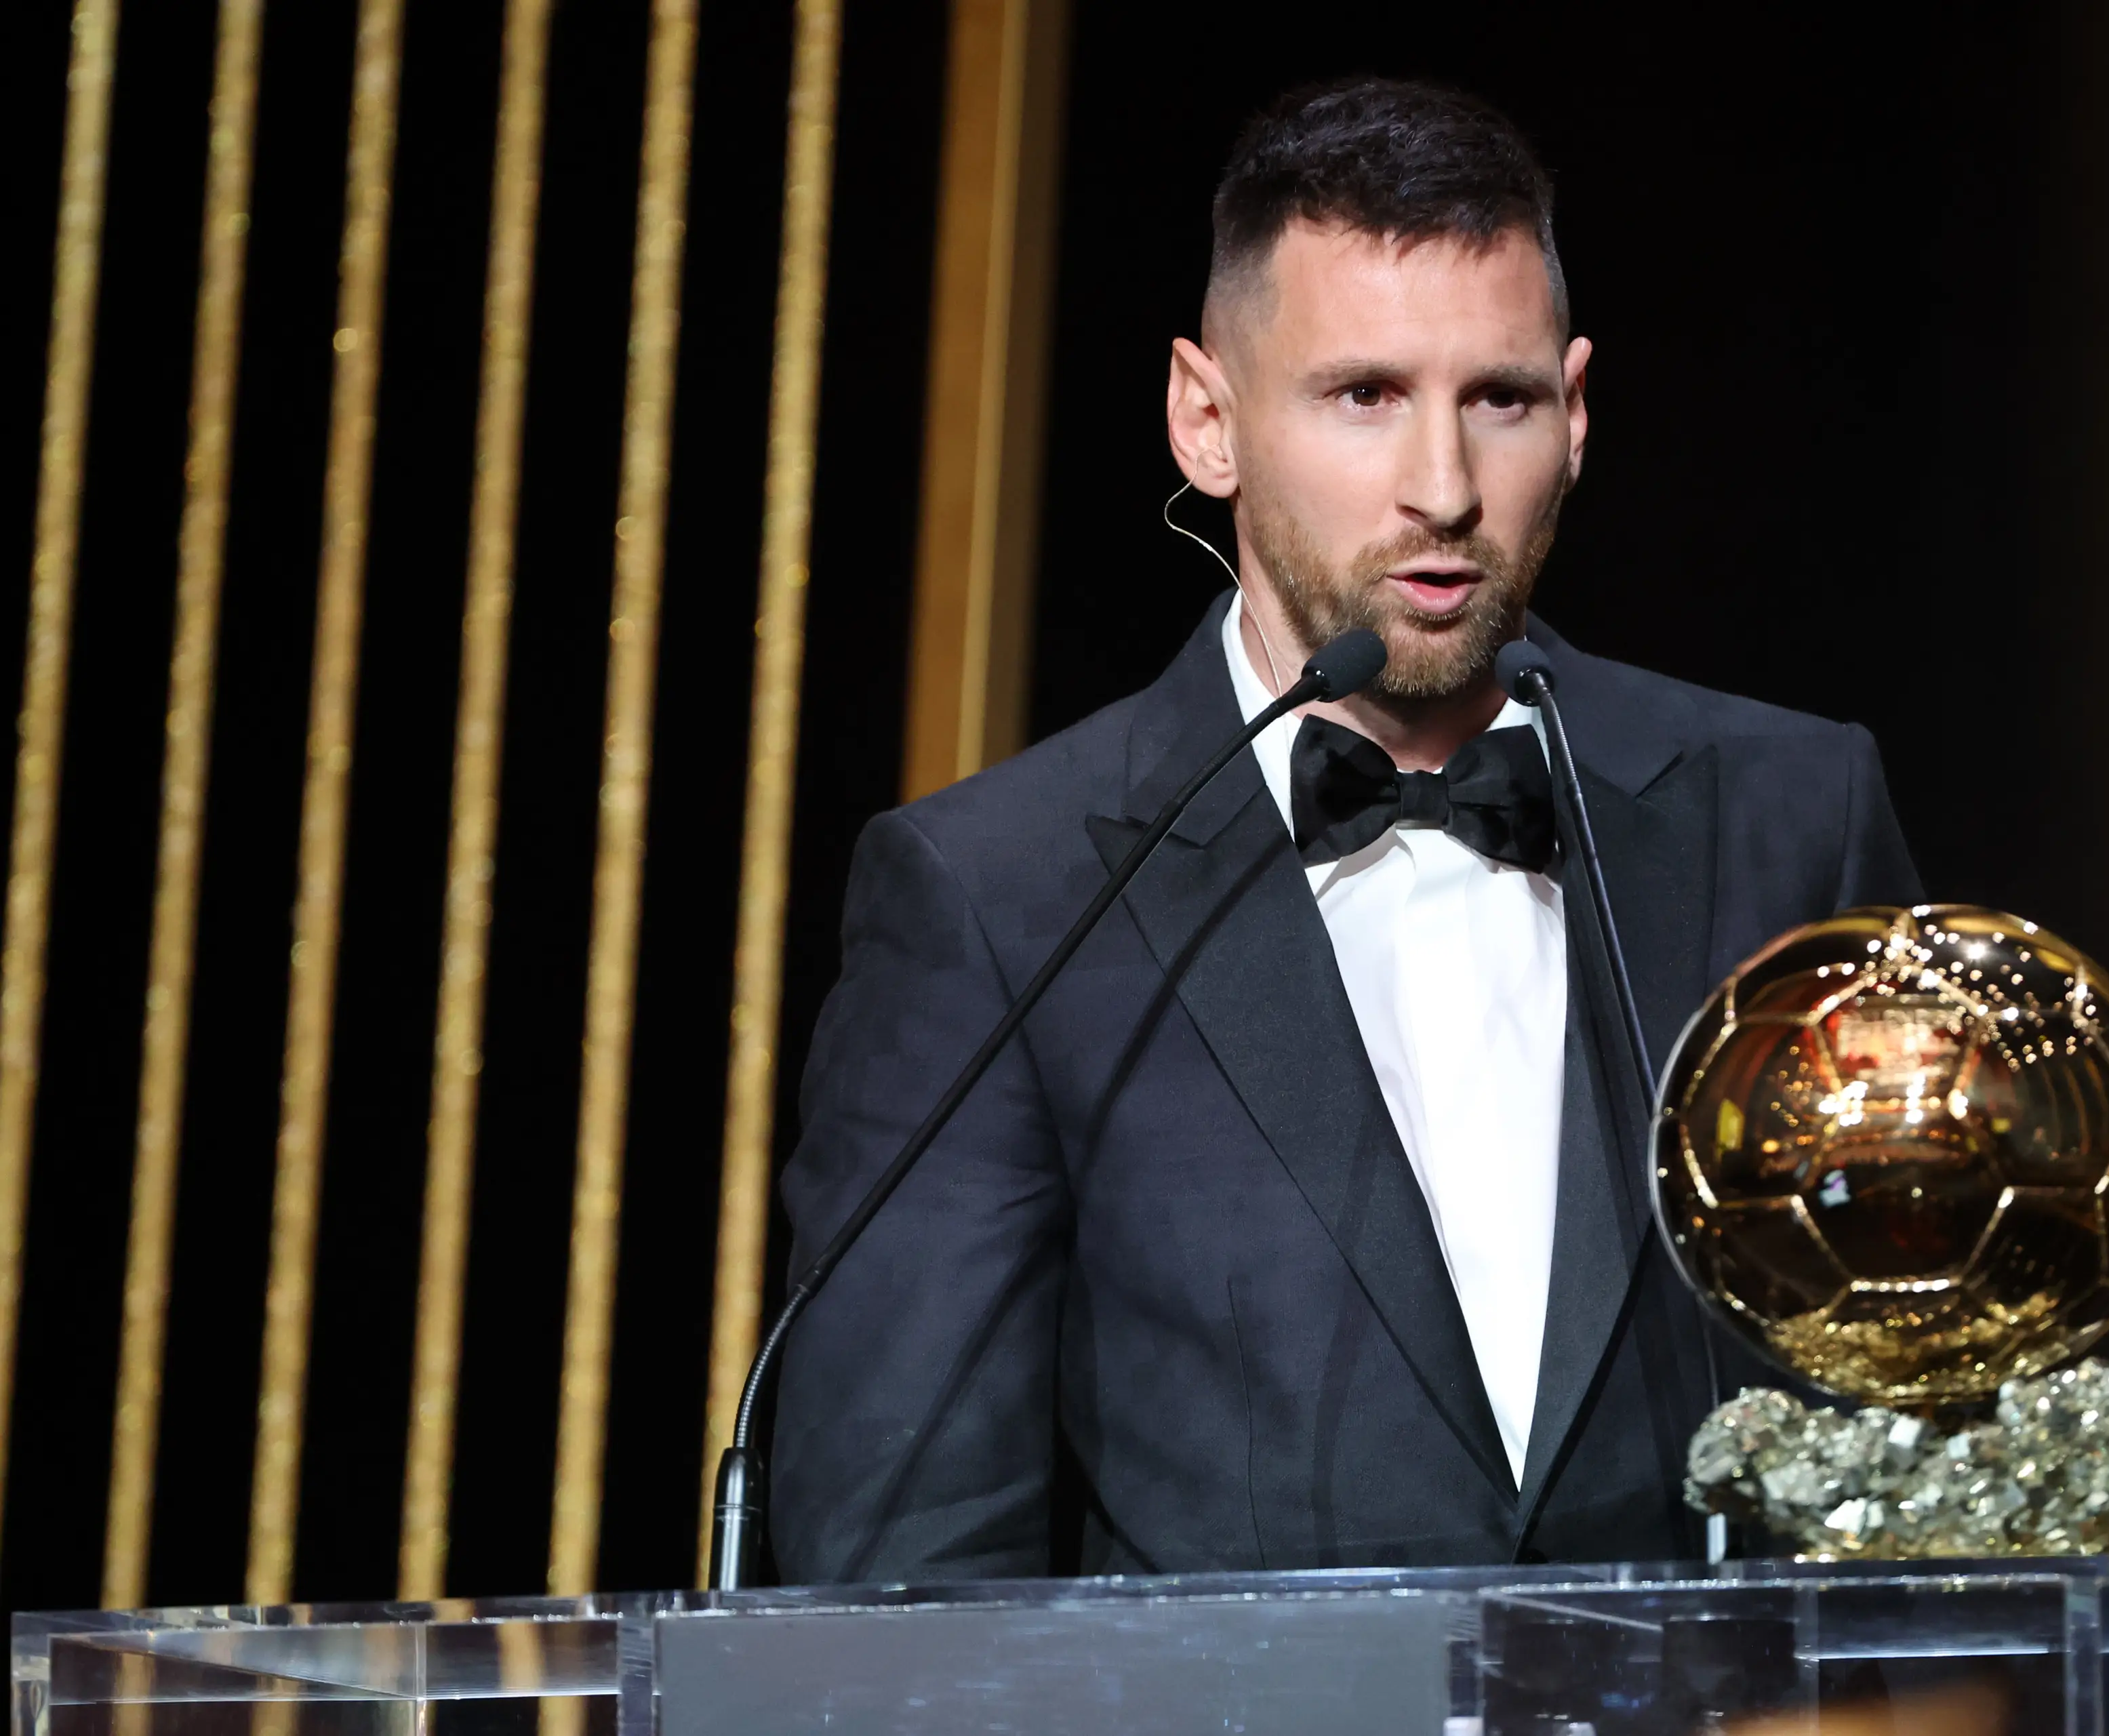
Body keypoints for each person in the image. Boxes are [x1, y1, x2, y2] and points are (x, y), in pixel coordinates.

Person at [772, 77, 1921, 1583]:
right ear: (1208, 418)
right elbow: (901, 1571)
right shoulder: (1002, 894)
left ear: (1574, 415)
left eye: (1496, 399)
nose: (1441, 488)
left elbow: (1935, 1430)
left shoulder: (1790, 817)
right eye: (1363, 394)